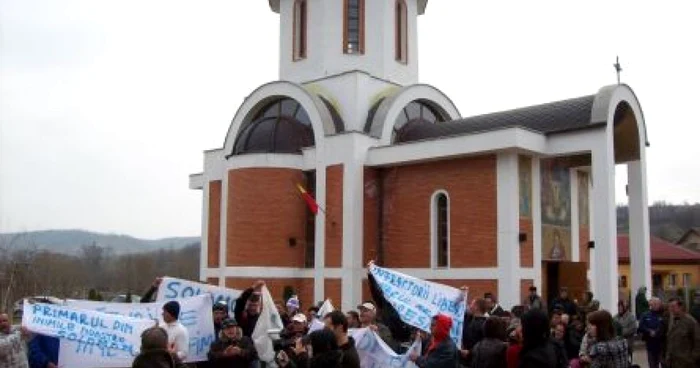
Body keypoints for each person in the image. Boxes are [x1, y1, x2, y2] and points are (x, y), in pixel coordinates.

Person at [664, 297, 700, 368]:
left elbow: (698, 342)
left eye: (673, 306)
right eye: (669, 307)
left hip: (686, 362)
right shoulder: (671, 320)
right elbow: (670, 340)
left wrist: (692, 358)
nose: (671, 309)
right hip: (672, 362)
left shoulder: (691, 322)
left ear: (681, 307)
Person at [638, 297, 664, 368]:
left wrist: (657, 332)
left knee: (663, 363)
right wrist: (649, 331)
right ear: (651, 305)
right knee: (652, 364)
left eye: (657, 304)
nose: (655, 305)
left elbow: (664, 326)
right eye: (654, 304)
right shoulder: (645, 315)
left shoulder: (663, 315)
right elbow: (641, 326)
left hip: (661, 344)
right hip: (650, 344)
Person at [462, 298, 488, 365]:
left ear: (476, 307)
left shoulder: (484, 325)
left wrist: (470, 352)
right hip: (466, 358)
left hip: (476, 360)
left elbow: (484, 344)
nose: (469, 306)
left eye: (471, 304)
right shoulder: (471, 320)